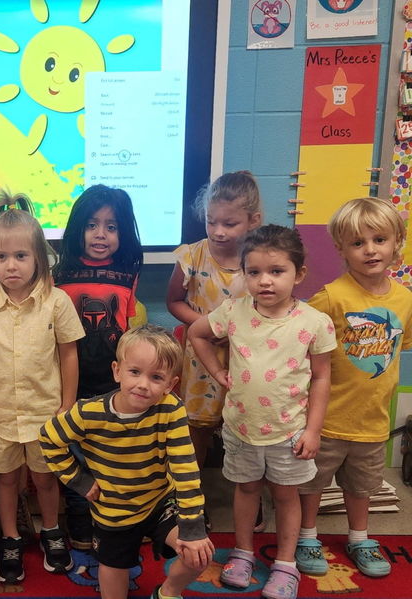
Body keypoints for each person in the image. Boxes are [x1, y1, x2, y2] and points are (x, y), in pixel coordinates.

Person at [189, 225, 334, 599]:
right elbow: (197, 334)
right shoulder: (234, 311)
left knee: (286, 496)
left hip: (289, 431)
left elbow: (320, 379)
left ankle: (286, 563)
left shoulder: (314, 322)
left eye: (276, 271)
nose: (264, 281)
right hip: (240, 429)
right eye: (253, 272)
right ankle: (243, 552)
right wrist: (218, 373)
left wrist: (313, 430)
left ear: (298, 273)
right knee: (246, 489)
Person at [40, 325, 215, 599]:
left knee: (200, 554)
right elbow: (48, 439)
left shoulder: (171, 408)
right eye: (135, 372)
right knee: (113, 571)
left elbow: (186, 469)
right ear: (117, 371)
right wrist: (79, 480)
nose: (143, 384)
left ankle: (167, 593)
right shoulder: (88, 412)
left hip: (159, 502)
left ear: (170, 385)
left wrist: (193, 528)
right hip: (113, 512)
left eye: (156, 377)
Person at [0, 194, 83, 583]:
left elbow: (68, 356)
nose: (11, 265)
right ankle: (10, 538)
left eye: (20, 256)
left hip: (46, 412)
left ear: (39, 257)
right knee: (4, 478)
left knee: (46, 477)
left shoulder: (57, 302)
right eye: (1, 257)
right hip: (0, 413)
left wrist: (67, 406)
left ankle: (51, 531)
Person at [295, 197, 412, 579]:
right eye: (358, 243)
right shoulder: (330, 297)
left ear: (398, 242)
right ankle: (307, 535)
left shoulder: (405, 299)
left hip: (373, 420)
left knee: (362, 486)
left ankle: (360, 537)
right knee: (312, 483)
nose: (370, 250)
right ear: (341, 249)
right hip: (326, 419)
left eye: (379, 239)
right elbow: (302, 350)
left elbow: (401, 347)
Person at [52, 183, 144, 551]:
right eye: (92, 225)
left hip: (114, 389)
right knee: (76, 462)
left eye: (111, 226)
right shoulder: (59, 275)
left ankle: (114, 523)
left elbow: (133, 327)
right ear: (78, 229)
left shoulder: (129, 275)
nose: (101, 234)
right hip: (70, 387)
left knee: (112, 461)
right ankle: (79, 524)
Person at [167, 171, 263, 470]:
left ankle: (248, 494)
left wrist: (237, 332)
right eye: (211, 221)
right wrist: (205, 326)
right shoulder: (192, 256)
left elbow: (274, 309)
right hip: (200, 361)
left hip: (246, 359)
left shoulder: (261, 262)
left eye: (229, 224)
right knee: (197, 430)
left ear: (253, 220)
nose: (218, 231)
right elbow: (173, 301)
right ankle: (190, 496)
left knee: (246, 431)